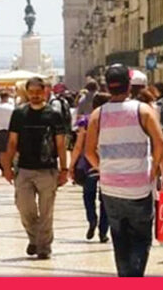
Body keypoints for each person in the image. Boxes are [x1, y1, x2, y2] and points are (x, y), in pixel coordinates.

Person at [84, 64, 163, 277]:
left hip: (110, 188)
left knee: (119, 238)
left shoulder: (98, 115)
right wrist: (154, 169)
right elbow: (160, 143)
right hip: (139, 187)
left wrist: (102, 168)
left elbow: (89, 151)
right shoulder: (143, 111)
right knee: (141, 238)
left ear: (107, 87)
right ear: (129, 86)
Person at [2, 77, 69, 260]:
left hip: (47, 169)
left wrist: (64, 169)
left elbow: (60, 144)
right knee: (24, 208)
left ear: (45, 92)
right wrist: (7, 167)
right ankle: (35, 238)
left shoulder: (54, 115)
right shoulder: (19, 114)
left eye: (38, 92)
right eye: (31, 92)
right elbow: (12, 142)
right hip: (24, 168)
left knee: (46, 212)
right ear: (27, 93)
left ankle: (43, 247)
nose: (35, 95)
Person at [69, 92, 110, 243]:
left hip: (88, 164)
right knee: (106, 199)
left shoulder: (86, 121)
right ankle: (103, 231)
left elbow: (79, 145)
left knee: (88, 195)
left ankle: (92, 219)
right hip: (108, 164)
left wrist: (71, 166)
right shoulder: (112, 121)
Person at [0, 90, 16, 172]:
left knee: (1, 150)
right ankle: (9, 166)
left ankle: (3, 167)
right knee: (9, 149)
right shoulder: (11, 108)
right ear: (7, 97)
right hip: (9, 130)